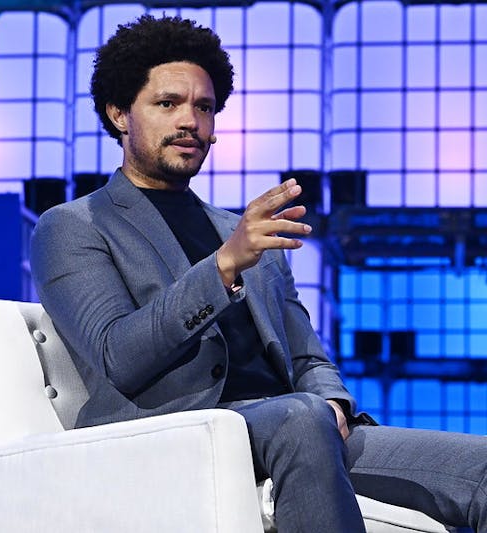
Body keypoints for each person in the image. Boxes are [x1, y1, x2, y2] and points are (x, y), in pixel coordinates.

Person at [30, 14, 487, 532]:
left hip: (298, 426)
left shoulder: (245, 231)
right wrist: (223, 266)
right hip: (175, 433)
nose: (190, 122)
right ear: (119, 114)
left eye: (204, 108)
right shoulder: (74, 226)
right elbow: (119, 356)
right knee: (300, 418)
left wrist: (332, 400)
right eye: (168, 104)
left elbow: (307, 354)